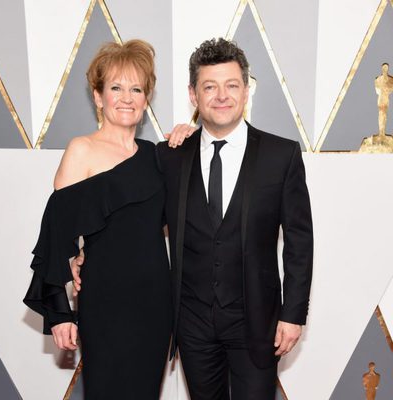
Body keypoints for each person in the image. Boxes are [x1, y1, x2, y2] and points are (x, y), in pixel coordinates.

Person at [73, 38, 313, 399]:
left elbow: (299, 241)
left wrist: (293, 314)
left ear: (246, 91)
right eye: (209, 86)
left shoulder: (282, 155)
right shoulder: (169, 156)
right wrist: (85, 252)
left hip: (258, 322)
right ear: (193, 94)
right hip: (191, 324)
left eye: (231, 85)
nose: (221, 95)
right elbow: (136, 222)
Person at [24, 40, 193, 399]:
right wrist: (59, 314)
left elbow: (179, 216)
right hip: (104, 299)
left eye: (137, 89)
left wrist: (194, 141)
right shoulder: (81, 149)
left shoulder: (157, 158)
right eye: (116, 88)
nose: (127, 97)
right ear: (98, 97)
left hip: (155, 301)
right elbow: (56, 235)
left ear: (146, 99)